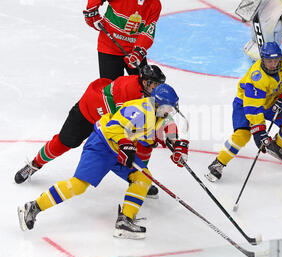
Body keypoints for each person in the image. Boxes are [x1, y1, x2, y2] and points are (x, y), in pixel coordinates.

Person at [17, 84, 190, 239]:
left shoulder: (161, 115)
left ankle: (125, 221)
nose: (171, 111)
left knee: (143, 178)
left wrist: (176, 145)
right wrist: (125, 143)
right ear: (158, 104)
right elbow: (112, 126)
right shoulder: (139, 109)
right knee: (78, 185)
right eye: (168, 107)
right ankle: (33, 207)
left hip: (121, 150)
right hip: (102, 145)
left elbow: (169, 126)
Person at [14, 64, 170, 198]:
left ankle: (140, 178)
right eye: (154, 85)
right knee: (63, 142)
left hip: (107, 120)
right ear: (144, 82)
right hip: (89, 112)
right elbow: (121, 123)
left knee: (143, 142)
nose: (156, 89)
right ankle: (34, 165)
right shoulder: (129, 90)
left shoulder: (146, 93)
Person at [205, 42, 282, 182]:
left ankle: (275, 146)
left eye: (276, 60)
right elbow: (254, 109)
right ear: (262, 59)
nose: (274, 64)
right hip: (246, 104)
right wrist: (259, 132)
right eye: (270, 61)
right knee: (243, 135)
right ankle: (219, 163)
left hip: (271, 101)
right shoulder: (256, 77)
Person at [83, 0, 162, 80]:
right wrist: (92, 13)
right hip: (109, 48)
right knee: (111, 89)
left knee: (144, 86)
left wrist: (138, 53)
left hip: (133, 51)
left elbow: (148, 32)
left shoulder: (155, 4)